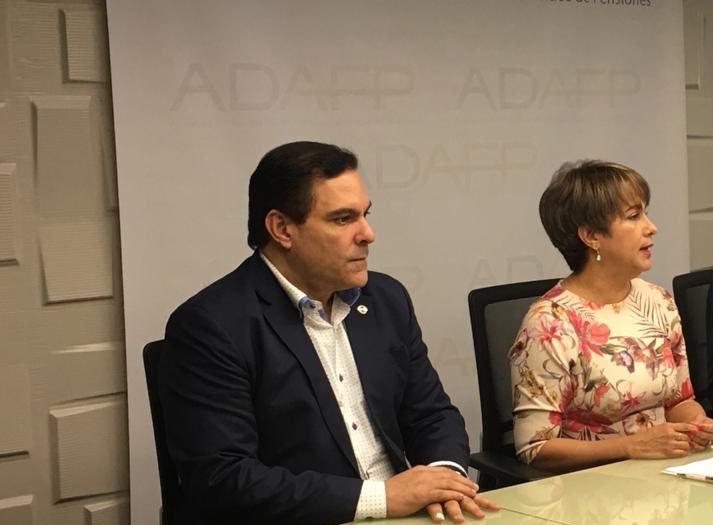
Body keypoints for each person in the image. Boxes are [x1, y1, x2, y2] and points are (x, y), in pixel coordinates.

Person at [160, 141, 499, 525]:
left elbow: (431, 414)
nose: (368, 233)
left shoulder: (386, 299)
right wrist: (381, 498)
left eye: (365, 215)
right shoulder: (212, 325)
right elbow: (224, 479)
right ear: (282, 229)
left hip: (408, 515)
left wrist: (445, 478)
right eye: (342, 219)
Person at [509, 160, 713, 472]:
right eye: (634, 216)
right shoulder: (549, 323)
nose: (651, 227)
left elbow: (678, 401)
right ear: (591, 236)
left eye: (645, 213)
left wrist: (697, 424)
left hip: (665, 472)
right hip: (590, 484)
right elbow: (534, 447)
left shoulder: (657, 300)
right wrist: (630, 447)